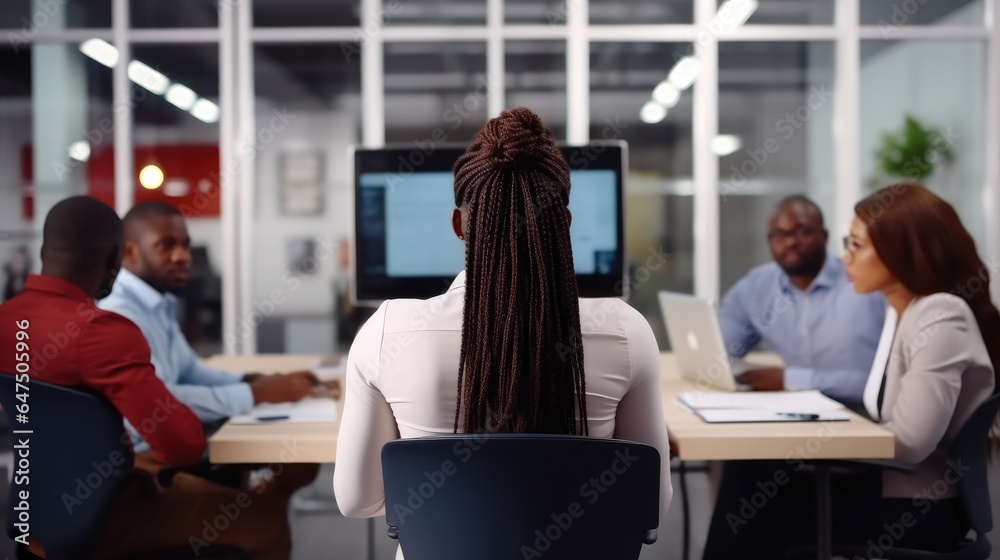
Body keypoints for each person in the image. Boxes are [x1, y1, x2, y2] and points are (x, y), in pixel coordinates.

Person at [333, 108, 672, 529]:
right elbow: (650, 503)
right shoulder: (627, 330)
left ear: (459, 225)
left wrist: (460, 498)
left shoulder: (387, 331)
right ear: (564, 223)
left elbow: (355, 500)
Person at [703, 183, 997, 558]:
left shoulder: (940, 316)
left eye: (856, 246)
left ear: (899, 251)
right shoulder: (903, 313)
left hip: (920, 509)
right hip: (889, 486)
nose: (844, 259)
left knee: (750, 512)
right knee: (749, 474)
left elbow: (909, 443)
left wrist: (801, 441)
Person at [0, 197, 291, 559]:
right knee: (268, 522)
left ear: (44, 250)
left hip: (35, 518)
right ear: (115, 259)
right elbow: (181, 447)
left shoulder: (6, 318)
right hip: (104, 518)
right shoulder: (104, 331)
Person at [99, 201, 320, 446]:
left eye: (186, 246)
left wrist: (253, 379)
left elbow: (189, 370)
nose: (183, 257)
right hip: (147, 456)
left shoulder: (160, 303)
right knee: (286, 462)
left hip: (175, 442)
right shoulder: (119, 315)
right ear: (130, 252)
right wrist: (255, 394)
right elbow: (161, 399)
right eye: (166, 245)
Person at [718, 195, 886, 407]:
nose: (790, 242)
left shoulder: (866, 285)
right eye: (779, 235)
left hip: (864, 416)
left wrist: (791, 379)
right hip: (795, 411)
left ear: (824, 235)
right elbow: (721, 353)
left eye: (803, 231)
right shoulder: (756, 286)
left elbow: (884, 383)